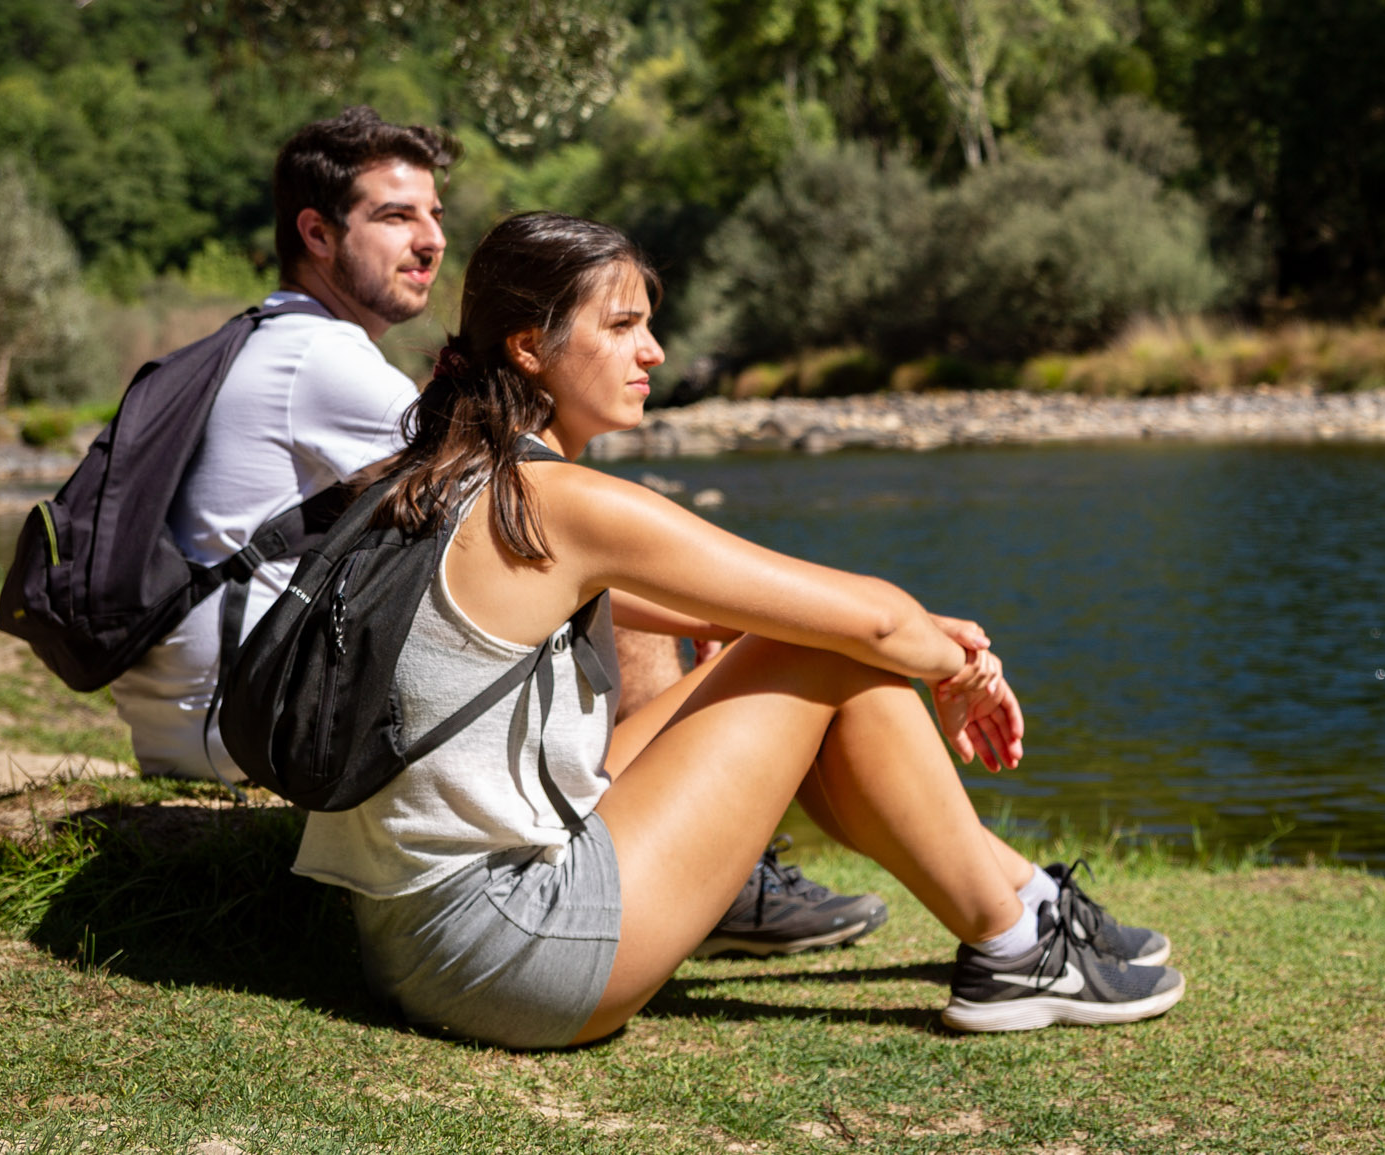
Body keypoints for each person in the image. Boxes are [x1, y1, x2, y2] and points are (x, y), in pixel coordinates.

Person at [292, 211, 1183, 1046]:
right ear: (532, 347)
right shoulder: (560, 501)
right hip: (512, 953)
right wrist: (958, 665)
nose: (654, 350)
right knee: (818, 647)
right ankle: (1019, 941)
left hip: (414, 939)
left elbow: (720, 611)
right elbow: (863, 619)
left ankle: (1023, 903)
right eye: (622, 327)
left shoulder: (442, 475)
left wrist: (928, 641)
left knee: (822, 657)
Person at [114, 107, 881, 955]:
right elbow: (520, 539)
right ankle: (712, 873)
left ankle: (684, 852)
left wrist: (707, 605)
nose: (432, 239)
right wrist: (717, 606)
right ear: (316, 234)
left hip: (249, 697)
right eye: (396, 215)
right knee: (600, 565)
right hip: (269, 717)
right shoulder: (322, 363)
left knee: (606, 569)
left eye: (437, 214)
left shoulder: (272, 333)